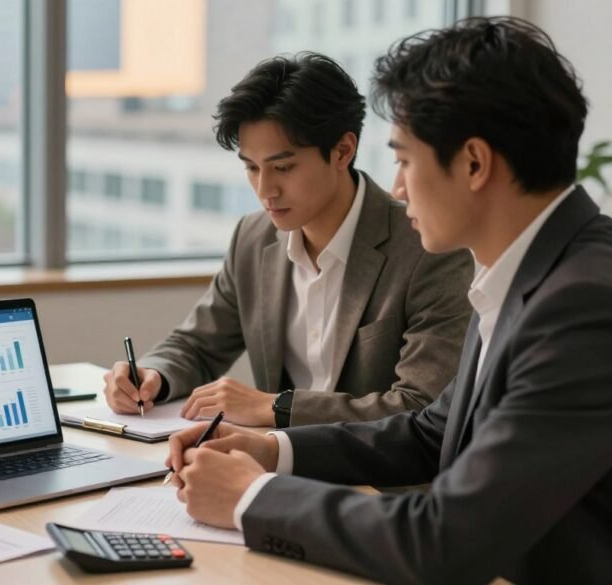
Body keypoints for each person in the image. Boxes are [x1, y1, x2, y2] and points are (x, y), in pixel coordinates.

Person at [167, 17, 612, 585]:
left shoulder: (583, 305)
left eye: (404, 160)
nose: (397, 188)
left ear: (474, 163)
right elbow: (431, 432)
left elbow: (445, 540)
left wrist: (251, 498)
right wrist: (270, 449)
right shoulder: (528, 272)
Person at [103, 53, 473, 427]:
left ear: (343, 150)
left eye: (283, 167)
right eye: (251, 168)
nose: (265, 190)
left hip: (374, 479)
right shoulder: (253, 238)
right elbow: (197, 346)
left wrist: (276, 407)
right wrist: (153, 375)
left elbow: (420, 405)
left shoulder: (427, 248)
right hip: (272, 463)